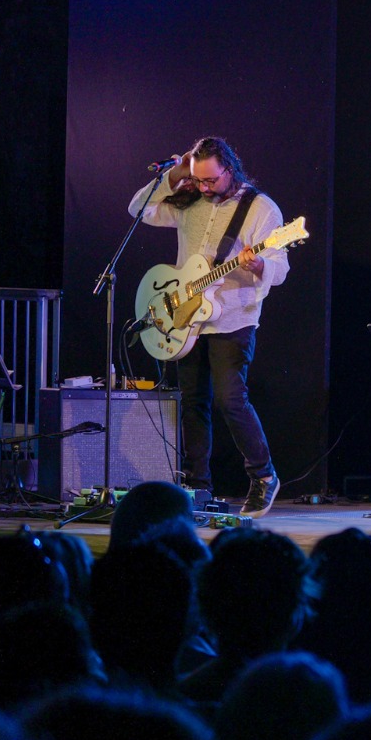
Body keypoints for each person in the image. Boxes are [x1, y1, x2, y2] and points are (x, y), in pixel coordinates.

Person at [130, 137, 289, 518]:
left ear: (230, 170)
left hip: (233, 315)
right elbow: (138, 209)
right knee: (193, 402)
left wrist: (260, 266)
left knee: (229, 399)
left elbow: (280, 267)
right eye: (199, 180)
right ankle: (197, 487)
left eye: (211, 181)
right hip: (186, 316)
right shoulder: (189, 198)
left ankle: (263, 476)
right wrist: (175, 176)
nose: (204, 188)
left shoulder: (260, 209)